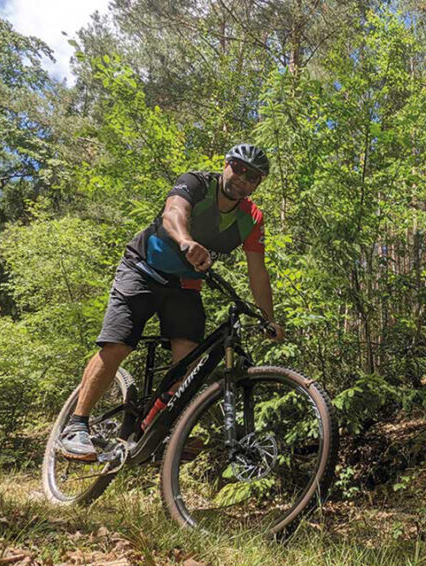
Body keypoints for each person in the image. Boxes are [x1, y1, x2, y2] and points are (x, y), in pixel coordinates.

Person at [58, 143, 284, 461]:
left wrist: (267, 317)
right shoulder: (196, 183)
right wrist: (186, 240)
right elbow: (173, 213)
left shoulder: (252, 218)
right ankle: (76, 426)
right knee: (118, 345)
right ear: (226, 164)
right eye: (239, 168)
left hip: (187, 285)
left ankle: (163, 431)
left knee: (188, 366)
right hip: (142, 268)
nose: (243, 178)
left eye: (254, 177)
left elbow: (257, 271)